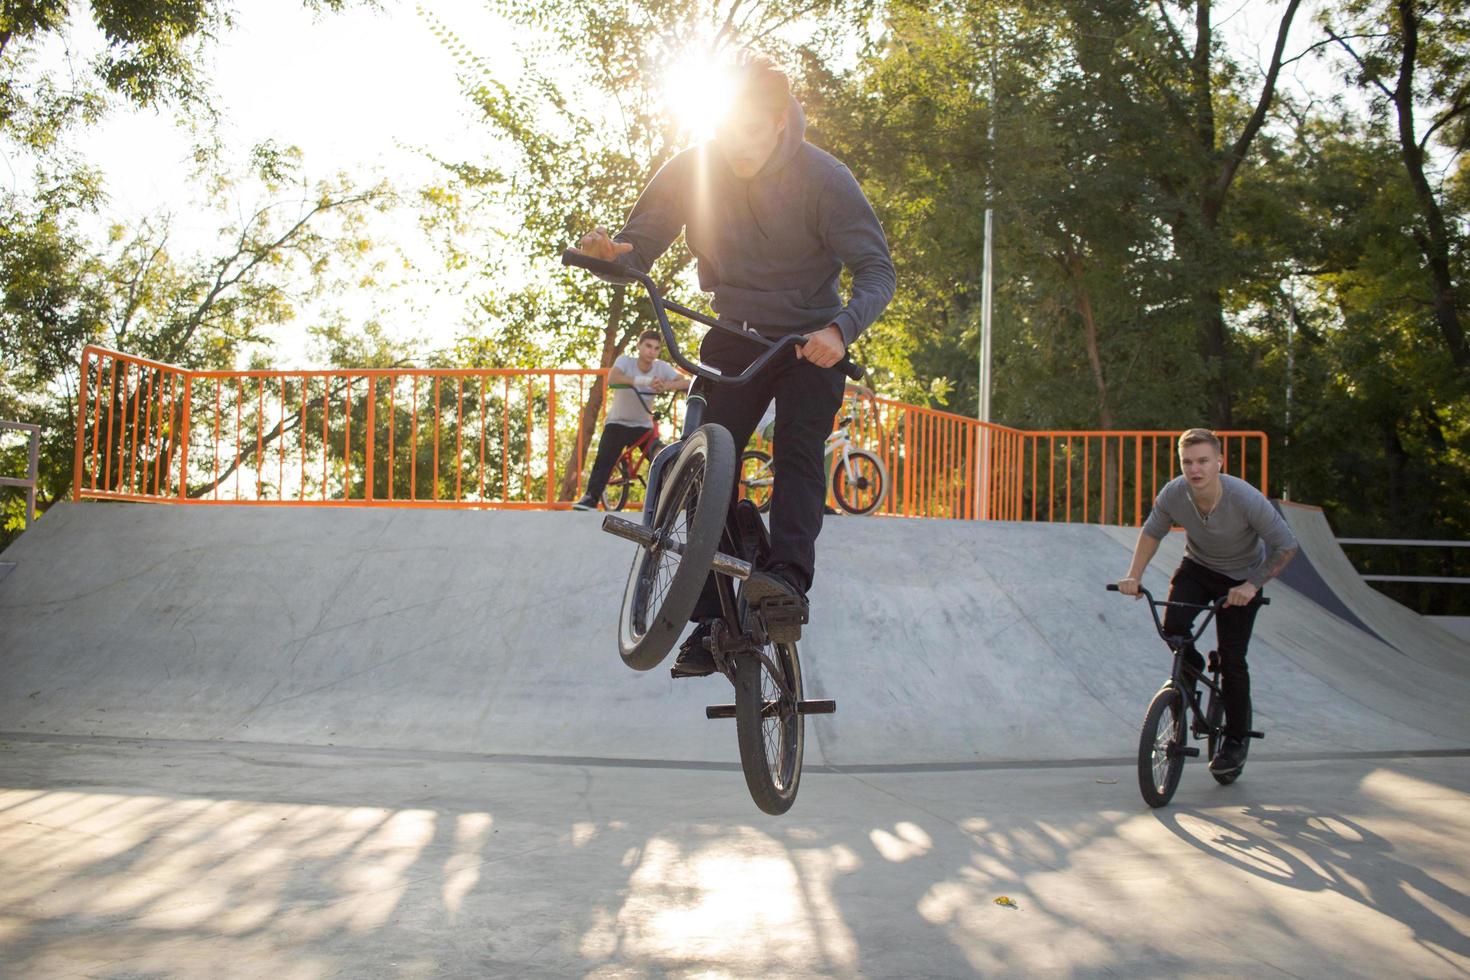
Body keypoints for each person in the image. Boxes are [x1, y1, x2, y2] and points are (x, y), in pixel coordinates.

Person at [573, 52, 896, 677]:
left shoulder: (825, 179)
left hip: (810, 341)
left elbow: (877, 271)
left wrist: (840, 328)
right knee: (703, 453)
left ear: (779, 122)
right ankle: (715, 619)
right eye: (728, 129)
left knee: (799, 450)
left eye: (753, 131)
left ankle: (786, 585)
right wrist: (616, 251)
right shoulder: (693, 167)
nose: (738, 147)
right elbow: (642, 240)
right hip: (733, 331)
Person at [1116, 428, 1299, 777]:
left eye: (1202, 461)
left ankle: (1235, 741)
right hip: (1198, 569)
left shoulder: (1245, 498)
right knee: (1174, 632)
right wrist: (1134, 575)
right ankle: (1193, 669)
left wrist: (1252, 585)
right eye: (1187, 462)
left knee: (1233, 661)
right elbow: (1153, 531)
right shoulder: (1174, 493)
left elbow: (1286, 545)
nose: (1195, 469)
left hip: (1242, 578)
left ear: (1218, 462)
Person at [573, 330, 691, 511]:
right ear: (639, 346)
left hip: (642, 426)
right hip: (618, 423)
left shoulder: (661, 367)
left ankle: (673, 502)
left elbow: (686, 382)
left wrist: (666, 385)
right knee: (605, 458)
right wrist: (645, 381)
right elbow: (613, 378)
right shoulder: (625, 361)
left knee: (662, 455)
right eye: (648, 346)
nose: (652, 351)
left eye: (656, 348)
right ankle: (590, 498)